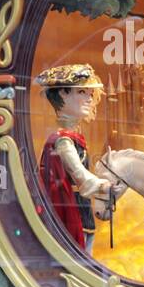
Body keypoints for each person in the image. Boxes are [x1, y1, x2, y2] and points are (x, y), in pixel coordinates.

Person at [36, 63, 113, 254]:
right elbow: (80, 175)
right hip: (69, 216)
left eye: (89, 93)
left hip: (81, 212)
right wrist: (102, 186)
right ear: (63, 93)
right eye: (81, 92)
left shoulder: (73, 138)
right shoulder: (62, 141)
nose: (89, 98)